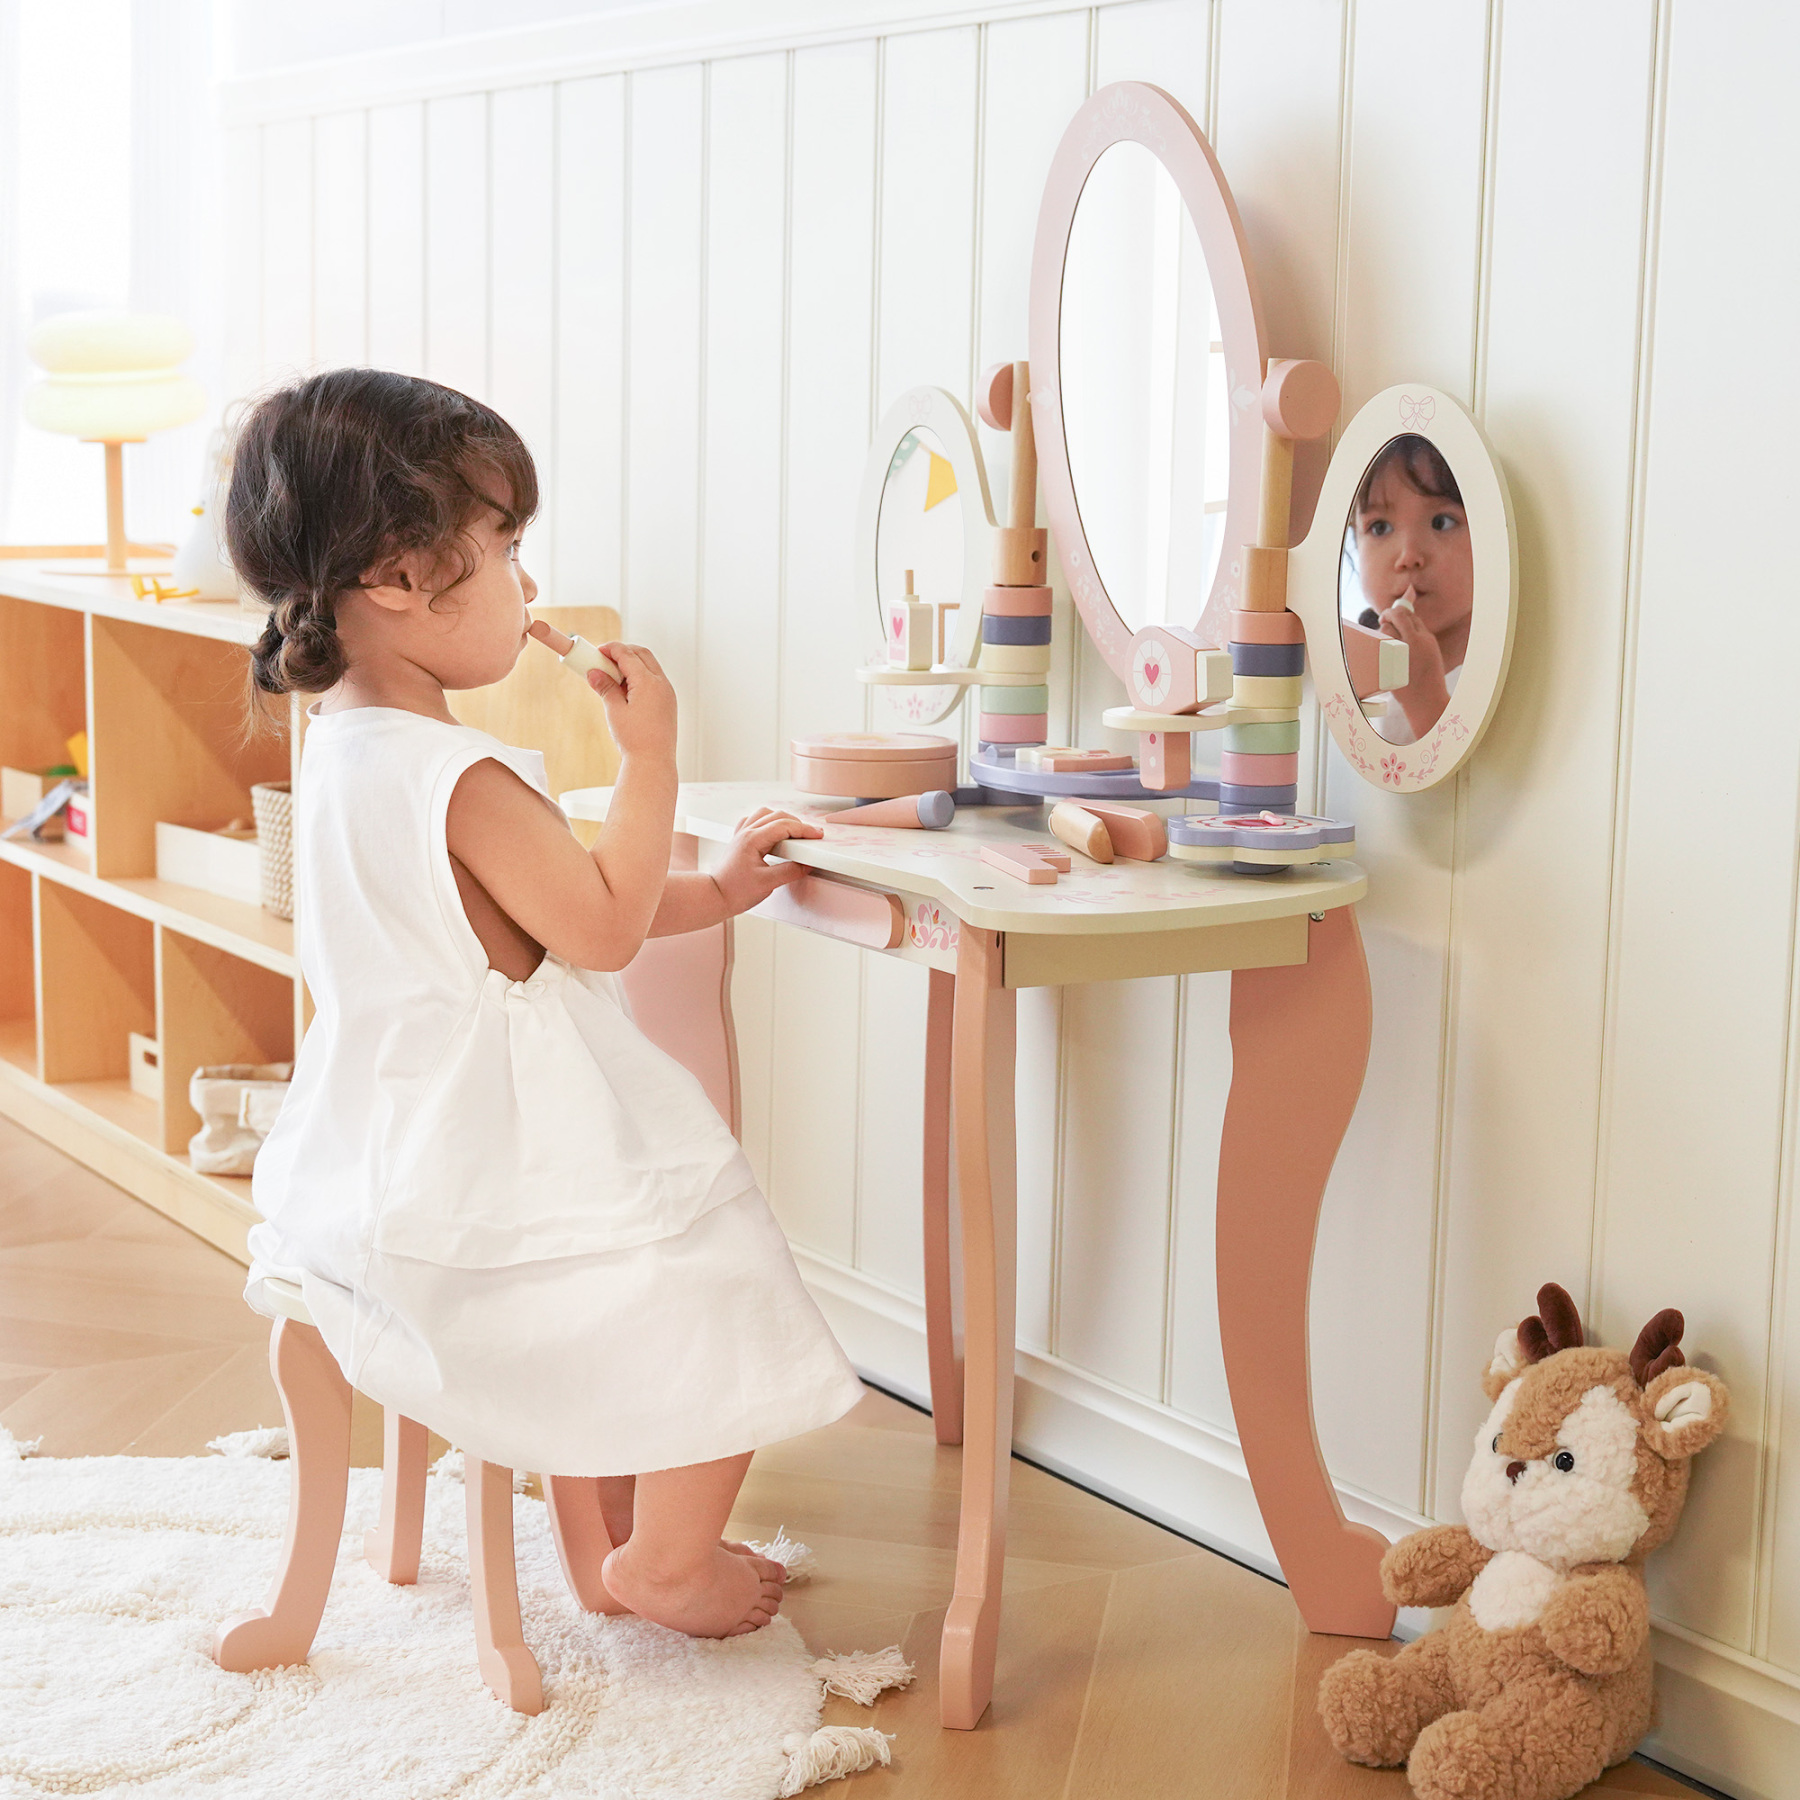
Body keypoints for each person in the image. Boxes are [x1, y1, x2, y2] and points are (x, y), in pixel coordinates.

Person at [225, 368, 863, 1639]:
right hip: (511, 1158)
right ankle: (669, 1561)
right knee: (723, 1287)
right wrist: (653, 759)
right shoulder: (460, 772)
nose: (531, 583)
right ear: (401, 577)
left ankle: (616, 1541)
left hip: (385, 1157)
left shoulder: (342, 749)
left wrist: (720, 882)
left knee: (669, 1286)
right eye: (510, 547)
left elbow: (542, 918)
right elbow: (604, 928)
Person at [1343, 433, 1473, 744]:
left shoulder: (1500, 678)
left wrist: (1426, 700)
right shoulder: (1348, 668)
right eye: (1380, 527)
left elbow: (1476, 787)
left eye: (1441, 522)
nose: (1409, 556)